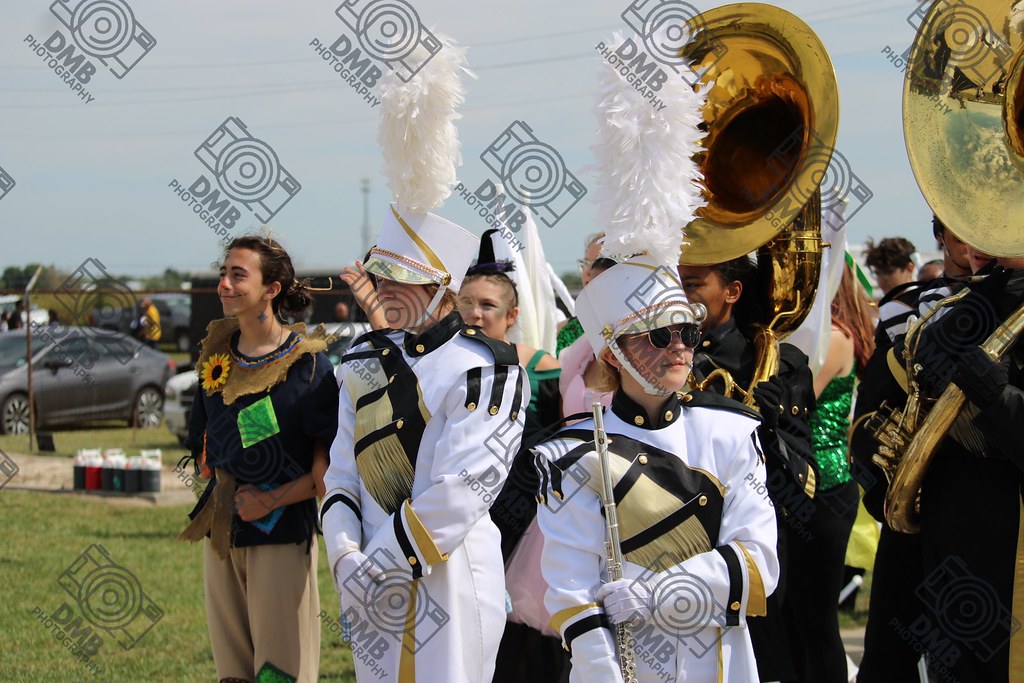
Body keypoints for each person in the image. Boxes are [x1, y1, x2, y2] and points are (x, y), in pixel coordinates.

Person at [535, 255, 779, 682]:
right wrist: (601, 669)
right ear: (613, 354)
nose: (680, 347)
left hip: (717, 658)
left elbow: (757, 562)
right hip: (614, 660)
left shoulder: (731, 431)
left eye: (687, 332)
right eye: (659, 336)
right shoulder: (568, 452)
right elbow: (569, 583)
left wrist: (655, 594)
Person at [320, 206, 528, 683]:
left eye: (401, 278)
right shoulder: (359, 360)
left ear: (442, 288)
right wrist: (344, 555)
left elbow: (465, 488)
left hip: (450, 577)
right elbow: (341, 476)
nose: (384, 289)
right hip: (365, 569)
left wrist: (379, 566)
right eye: (381, 275)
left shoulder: (488, 368)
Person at [178, 235, 338, 683]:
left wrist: (270, 500)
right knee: (233, 671)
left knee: (279, 670)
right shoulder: (215, 358)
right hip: (224, 535)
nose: (225, 284)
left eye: (238, 275)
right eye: (223, 274)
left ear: (272, 289)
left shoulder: (310, 367)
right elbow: (202, 444)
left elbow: (327, 474)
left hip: (282, 535)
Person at [679, 256, 817, 682]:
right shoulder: (658, 352)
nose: (680, 294)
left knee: (759, 659)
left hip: (747, 541)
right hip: (676, 536)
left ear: (732, 292)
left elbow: (803, 490)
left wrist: (770, 432)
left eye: (694, 284)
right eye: (676, 281)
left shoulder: (777, 362)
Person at [785, 261, 875, 682]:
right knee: (798, 619)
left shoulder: (835, 338)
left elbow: (797, 400)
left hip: (825, 488)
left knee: (817, 622)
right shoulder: (835, 334)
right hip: (811, 488)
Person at [458, 263, 560, 435]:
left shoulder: (541, 365)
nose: (474, 313)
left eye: (487, 305)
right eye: (466, 303)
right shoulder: (437, 359)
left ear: (511, 316)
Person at [558, 256, 617, 419]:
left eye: (604, 288)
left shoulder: (643, 352)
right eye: (589, 287)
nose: (591, 297)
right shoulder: (581, 352)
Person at [556, 232, 604, 355]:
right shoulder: (563, 330)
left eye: (598, 264)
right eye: (586, 263)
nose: (587, 271)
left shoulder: (636, 332)